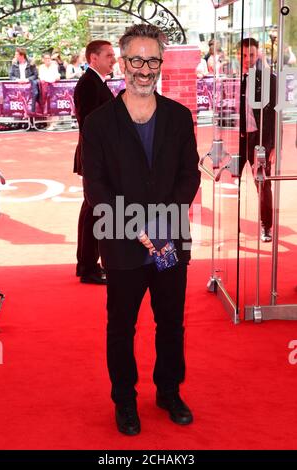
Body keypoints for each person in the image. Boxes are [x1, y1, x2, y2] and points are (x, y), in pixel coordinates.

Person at [82, 24, 200, 435]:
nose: (144, 69)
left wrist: (164, 220)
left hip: (169, 242)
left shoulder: (179, 116)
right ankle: (125, 401)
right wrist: (136, 224)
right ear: (124, 61)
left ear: (160, 64)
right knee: (122, 326)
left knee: (171, 322)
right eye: (136, 60)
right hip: (122, 243)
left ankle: (169, 391)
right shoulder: (98, 123)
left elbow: (190, 176)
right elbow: (95, 187)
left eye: (152, 60)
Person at [73, 40, 116, 284]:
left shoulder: (96, 82)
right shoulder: (88, 84)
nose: (113, 59)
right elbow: (89, 123)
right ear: (93, 59)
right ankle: (88, 267)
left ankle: (86, 264)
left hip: (98, 156)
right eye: (108, 55)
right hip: (95, 157)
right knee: (95, 211)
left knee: (91, 210)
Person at [237, 38, 276, 242]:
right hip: (238, 139)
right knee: (232, 181)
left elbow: (275, 115)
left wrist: (273, 146)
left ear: (258, 54)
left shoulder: (268, 79)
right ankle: (234, 225)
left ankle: (266, 226)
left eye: (251, 55)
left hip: (259, 139)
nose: (247, 59)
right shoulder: (233, 78)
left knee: (262, 183)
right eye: (243, 55)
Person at [9, 48, 39, 113]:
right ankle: (17, 114)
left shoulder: (31, 63)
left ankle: (32, 112)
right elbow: (11, 76)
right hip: (18, 85)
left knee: (35, 92)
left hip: (29, 84)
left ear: (22, 55)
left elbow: (35, 75)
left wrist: (27, 79)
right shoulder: (14, 64)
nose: (15, 56)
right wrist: (17, 80)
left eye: (16, 54)